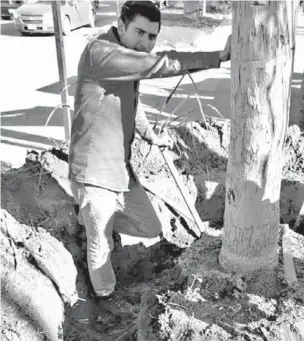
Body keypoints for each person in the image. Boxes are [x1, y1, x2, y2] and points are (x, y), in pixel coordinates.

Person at [68, 0, 231, 317]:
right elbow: (158, 64)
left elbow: (131, 102)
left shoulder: (124, 61)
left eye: (152, 36)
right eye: (139, 32)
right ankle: (104, 294)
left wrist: (148, 134)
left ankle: (92, 222)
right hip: (93, 167)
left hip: (118, 166)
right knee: (100, 243)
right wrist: (219, 56)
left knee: (149, 225)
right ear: (121, 24)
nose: (145, 42)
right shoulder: (102, 52)